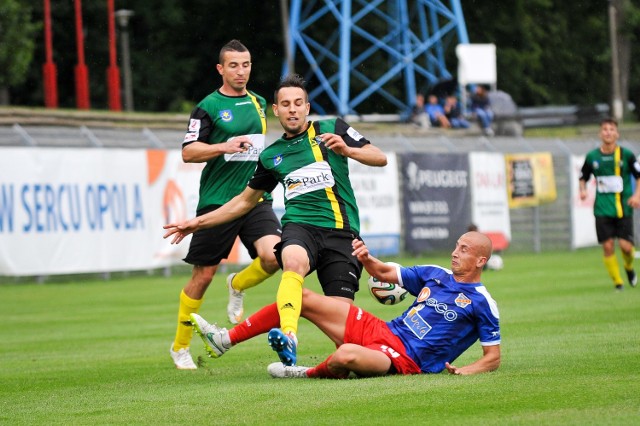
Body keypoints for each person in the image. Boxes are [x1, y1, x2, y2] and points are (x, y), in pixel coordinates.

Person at [164, 73, 388, 367]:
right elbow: (243, 202)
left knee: (343, 334)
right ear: (276, 110)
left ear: (307, 107)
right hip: (301, 228)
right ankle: (290, 338)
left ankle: (316, 363)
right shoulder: (271, 156)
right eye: (285, 104)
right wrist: (196, 223)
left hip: (341, 232)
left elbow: (379, 156)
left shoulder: (332, 129)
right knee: (292, 261)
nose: (292, 109)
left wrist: (349, 150)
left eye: (298, 103)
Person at [189, 231, 501, 378]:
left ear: (481, 260)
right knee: (300, 295)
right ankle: (223, 340)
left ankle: (304, 372)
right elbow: (382, 273)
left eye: (464, 249)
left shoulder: (482, 302)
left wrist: (466, 371)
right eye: (457, 246)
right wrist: (366, 258)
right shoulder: (435, 274)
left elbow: (493, 357)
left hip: (406, 360)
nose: (455, 252)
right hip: (383, 330)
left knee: (346, 354)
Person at [169, 39, 282, 370]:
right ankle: (180, 347)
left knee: (274, 256)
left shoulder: (260, 102)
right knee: (203, 275)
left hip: (255, 197)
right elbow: (189, 152)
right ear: (221, 69)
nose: (241, 71)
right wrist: (223, 146)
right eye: (233, 65)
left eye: (246, 65)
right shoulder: (208, 106)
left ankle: (237, 284)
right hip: (218, 201)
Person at [579, 118, 640, 291]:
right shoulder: (592, 157)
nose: (608, 132)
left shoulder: (626, 155)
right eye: (605, 129)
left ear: (617, 133)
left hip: (623, 207)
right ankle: (618, 283)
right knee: (607, 246)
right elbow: (583, 176)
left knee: (626, 247)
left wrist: (637, 195)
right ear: (600, 133)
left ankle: (628, 268)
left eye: (611, 129)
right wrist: (582, 190)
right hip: (602, 208)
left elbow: (638, 176)